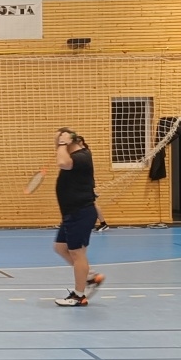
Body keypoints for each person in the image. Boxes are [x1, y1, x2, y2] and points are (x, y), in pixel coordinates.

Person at [52, 128, 104, 307]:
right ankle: (91, 277)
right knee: (60, 247)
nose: (55, 145)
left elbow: (63, 163)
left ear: (68, 141)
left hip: (80, 212)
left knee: (77, 253)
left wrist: (62, 144)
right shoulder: (78, 156)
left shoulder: (81, 156)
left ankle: (79, 296)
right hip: (72, 213)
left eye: (57, 141)